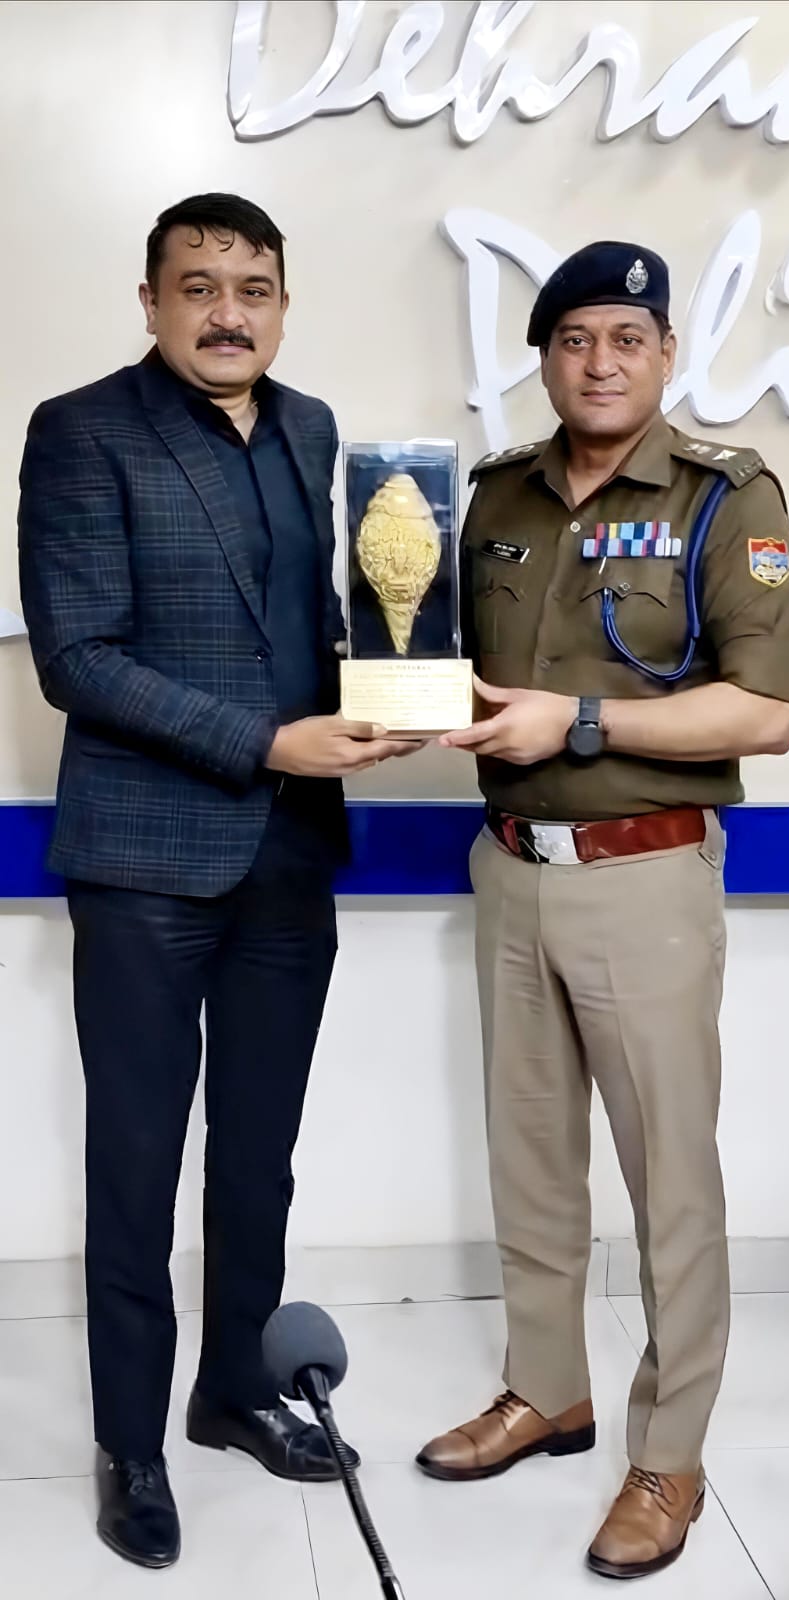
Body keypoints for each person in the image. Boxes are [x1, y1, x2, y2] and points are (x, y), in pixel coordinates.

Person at [17, 193, 412, 1571]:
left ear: (283, 306)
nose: (227, 313)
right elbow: (78, 656)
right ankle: (131, 1444)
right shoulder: (81, 431)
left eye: (253, 289)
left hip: (289, 856)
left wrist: (401, 689)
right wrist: (266, 741)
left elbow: (309, 623)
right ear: (152, 301)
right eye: (199, 287)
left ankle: (234, 1389)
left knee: (258, 1157)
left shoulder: (311, 430)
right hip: (143, 861)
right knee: (136, 1164)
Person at [417, 240, 789, 1580]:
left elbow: (767, 711)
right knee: (530, 1162)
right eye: (575, 338)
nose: (600, 362)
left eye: (626, 339)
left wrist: (580, 718)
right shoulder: (494, 496)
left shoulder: (724, 497)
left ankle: (669, 1456)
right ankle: (548, 1391)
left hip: (644, 874)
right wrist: (382, 695)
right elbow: (443, 664)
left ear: (664, 354)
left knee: (669, 1182)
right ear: (543, 356)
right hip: (510, 865)